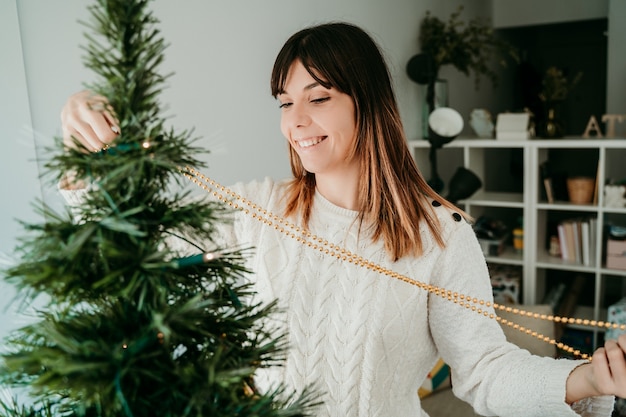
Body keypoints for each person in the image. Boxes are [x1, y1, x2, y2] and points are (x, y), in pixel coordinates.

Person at [60, 22, 626, 417]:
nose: (296, 120)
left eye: (319, 96)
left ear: (368, 102)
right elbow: (129, 250)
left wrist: (592, 380)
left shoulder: (441, 234)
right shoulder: (258, 208)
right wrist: (81, 149)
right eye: (284, 101)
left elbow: (485, 372)